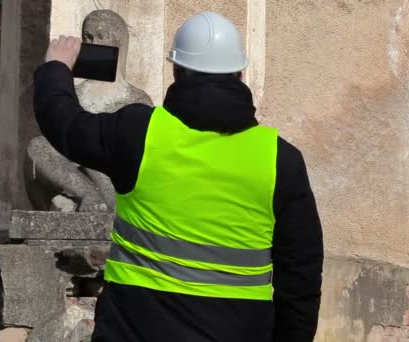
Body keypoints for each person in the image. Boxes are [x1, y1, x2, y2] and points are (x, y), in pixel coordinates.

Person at [34, 11, 323, 342]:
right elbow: (300, 278)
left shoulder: (139, 132)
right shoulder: (281, 160)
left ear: (176, 70)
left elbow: (65, 125)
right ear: (240, 74)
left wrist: (56, 67)